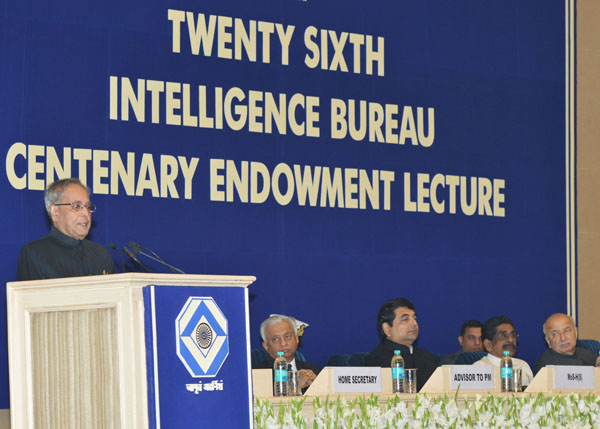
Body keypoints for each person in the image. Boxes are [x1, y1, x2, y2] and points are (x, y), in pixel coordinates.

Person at [17, 178, 116, 280]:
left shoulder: (101, 254)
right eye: (77, 206)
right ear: (55, 212)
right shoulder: (34, 254)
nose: (86, 213)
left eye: (88, 206)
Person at [364, 298, 438, 391]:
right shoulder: (377, 360)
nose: (414, 323)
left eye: (415, 319)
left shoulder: (427, 357)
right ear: (387, 329)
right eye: (405, 319)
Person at [253, 315, 321, 389]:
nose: (283, 343)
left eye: (287, 336)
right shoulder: (257, 374)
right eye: (275, 339)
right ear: (266, 346)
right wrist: (294, 386)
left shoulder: (315, 371)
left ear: (296, 339)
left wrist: (317, 384)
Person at [473, 315, 534, 386]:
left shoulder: (522, 365)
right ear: (488, 344)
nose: (511, 340)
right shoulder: (478, 369)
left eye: (513, 335)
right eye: (503, 336)